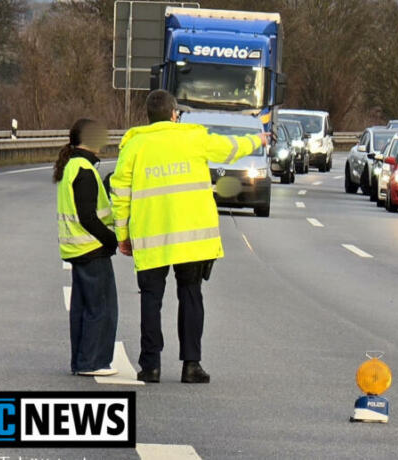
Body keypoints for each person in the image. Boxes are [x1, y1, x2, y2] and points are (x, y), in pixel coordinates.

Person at [111, 90, 268, 384]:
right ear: (174, 114)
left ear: (148, 117)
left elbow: (120, 193)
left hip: (150, 237)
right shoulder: (194, 138)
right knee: (191, 296)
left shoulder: (134, 146)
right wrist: (257, 140)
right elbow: (230, 148)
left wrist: (123, 234)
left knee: (150, 300)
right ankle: (191, 365)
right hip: (192, 240)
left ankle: (151, 366)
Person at [53, 118, 118, 377]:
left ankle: (81, 362)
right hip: (91, 249)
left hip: (77, 249)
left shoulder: (72, 166)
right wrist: (111, 240)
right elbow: (88, 216)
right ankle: (92, 362)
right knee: (101, 309)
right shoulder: (84, 170)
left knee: (83, 309)